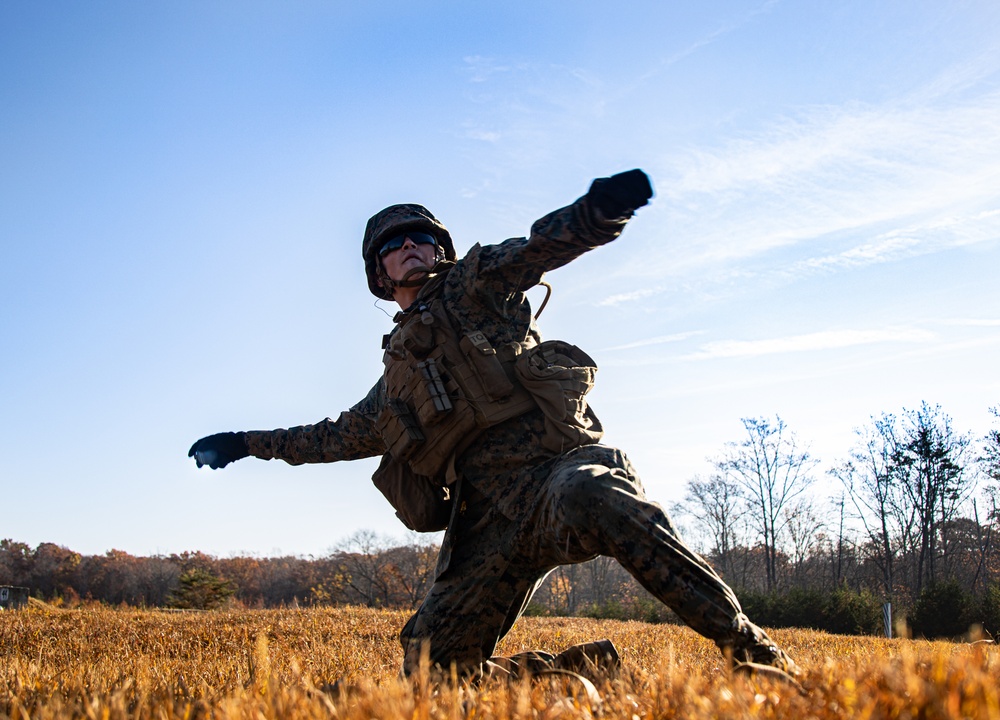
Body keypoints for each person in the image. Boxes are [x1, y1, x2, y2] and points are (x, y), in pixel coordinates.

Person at [189, 169, 800, 682]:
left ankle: (756, 657)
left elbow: (540, 249)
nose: (411, 248)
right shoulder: (392, 387)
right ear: (379, 274)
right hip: (485, 520)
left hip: (556, 470)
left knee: (598, 495)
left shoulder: (476, 285)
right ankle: (564, 673)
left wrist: (599, 213)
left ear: (442, 252)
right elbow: (324, 439)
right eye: (395, 244)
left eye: (423, 240)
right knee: (428, 665)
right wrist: (244, 444)